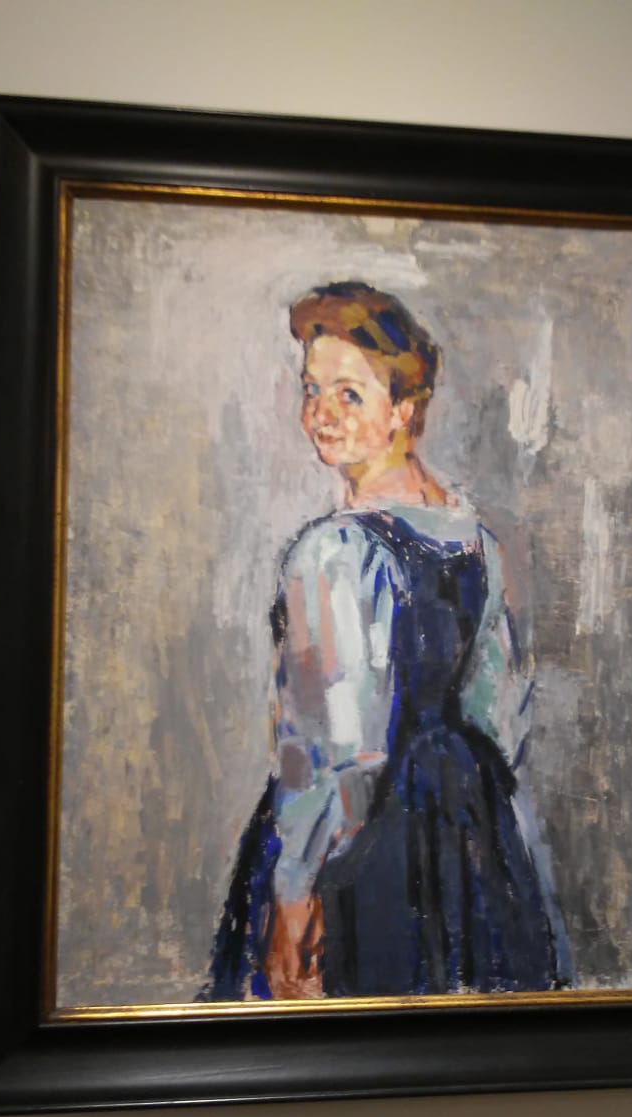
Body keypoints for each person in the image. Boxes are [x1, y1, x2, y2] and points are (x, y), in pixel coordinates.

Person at [205, 281, 570, 1001]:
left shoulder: (333, 551)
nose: (321, 414)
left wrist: (295, 887)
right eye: (312, 390)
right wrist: (465, 810)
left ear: (404, 408)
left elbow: (340, 749)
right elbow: (499, 715)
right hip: (467, 833)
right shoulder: (475, 539)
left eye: (349, 394)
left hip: (358, 853)